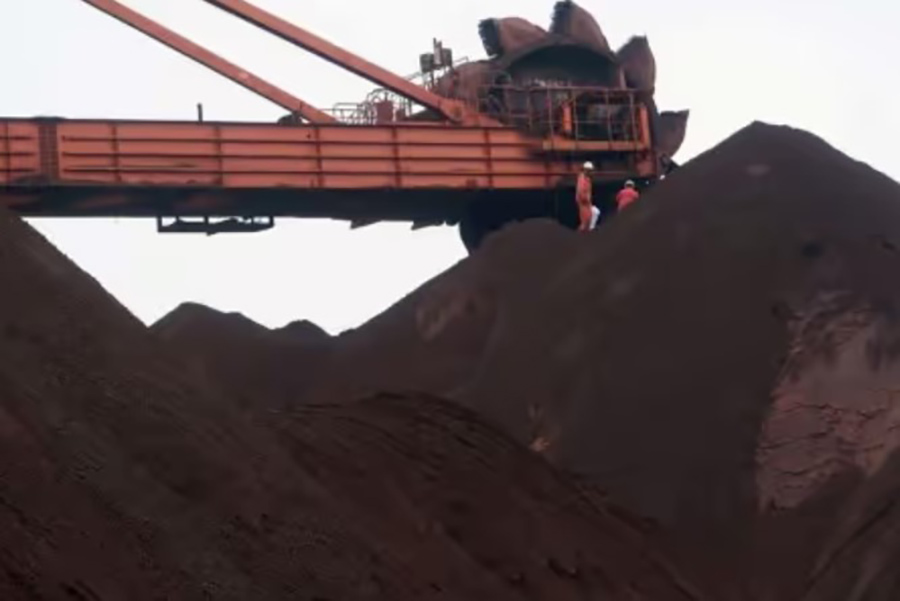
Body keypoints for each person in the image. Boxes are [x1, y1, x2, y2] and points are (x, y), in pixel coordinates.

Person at [576, 161, 596, 232]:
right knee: (586, 221)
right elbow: (581, 190)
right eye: (590, 171)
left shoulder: (586, 179)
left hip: (586, 202)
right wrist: (586, 199)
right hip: (584, 202)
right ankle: (579, 237)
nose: (591, 173)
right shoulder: (583, 179)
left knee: (588, 219)